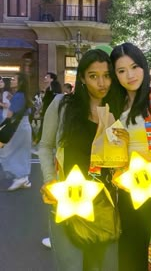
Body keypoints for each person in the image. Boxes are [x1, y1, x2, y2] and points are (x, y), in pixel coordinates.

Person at [39, 49, 127, 271]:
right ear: (82, 78)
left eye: (106, 75)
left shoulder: (115, 110)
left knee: (105, 265)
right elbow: (45, 146)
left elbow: (117, 159)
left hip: (104, 202)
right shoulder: (63, 106)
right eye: (93, 76)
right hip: (68, 200)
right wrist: (50, 180)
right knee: (73, 265)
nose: (102, 83)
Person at [110, 42, 151, 271]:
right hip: (129, 192)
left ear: (144, 67)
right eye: (121, 70)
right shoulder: (116, 106)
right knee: (132, 254)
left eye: (134, 67)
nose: (130, 75)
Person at [0, 72, 32, 191]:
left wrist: (2, 125)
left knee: (8, 151)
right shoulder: (24, 95)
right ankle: (23, 178)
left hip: (17, 127)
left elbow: (9, 115)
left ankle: (20, 177)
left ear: (20, 82)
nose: (12, 80)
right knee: (21, 152)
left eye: (14, 79)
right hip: (24, 125)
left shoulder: (18, 96)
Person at [33, 72, 62, 149]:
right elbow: (44, 101)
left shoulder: (54, 87)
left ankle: (37, 140)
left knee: (46, 126)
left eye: (47, 77)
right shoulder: (48, 88)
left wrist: (38, 110)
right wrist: (38, 110)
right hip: (47, 111)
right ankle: (38, 140)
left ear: (51, 79)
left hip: (51, 111)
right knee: (45, 125)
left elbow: (55, 99)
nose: (45, 78)